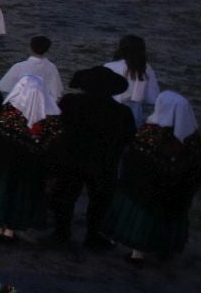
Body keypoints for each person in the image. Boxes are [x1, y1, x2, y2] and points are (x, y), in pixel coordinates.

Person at [102, 91, 198, 263]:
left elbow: (134, 158)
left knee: (142, 220)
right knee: (170, 218)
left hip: (145, 188)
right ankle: (165, 249)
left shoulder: (151, 132)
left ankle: (137, 255)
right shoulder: (192, 140)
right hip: (177, 191)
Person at [51, 67, 136, 247]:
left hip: (71, 157)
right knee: (99, 201)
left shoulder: (70, 102)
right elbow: (128, 139)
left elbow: (57, 126)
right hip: (104, 161)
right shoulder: (122, 112)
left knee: (65, 197)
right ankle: (93, 235)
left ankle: (61, 233)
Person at [0, 76, 61, 242]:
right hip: (30, 167)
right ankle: (11, 230)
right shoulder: (49, 119)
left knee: (3, 193)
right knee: (21, 196)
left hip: (6, 163)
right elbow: (50, 145)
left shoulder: (8, 112)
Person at [104, 34, 159, 127]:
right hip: (133, 117)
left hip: (108, 114)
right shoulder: (145, 68)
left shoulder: (109, 66)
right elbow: (152, 97)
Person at [0, 35, 62, 104]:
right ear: (47, 50)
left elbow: (2, 87)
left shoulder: (19, 66)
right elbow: (56, 91)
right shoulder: (52, 67)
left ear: (30, 48)